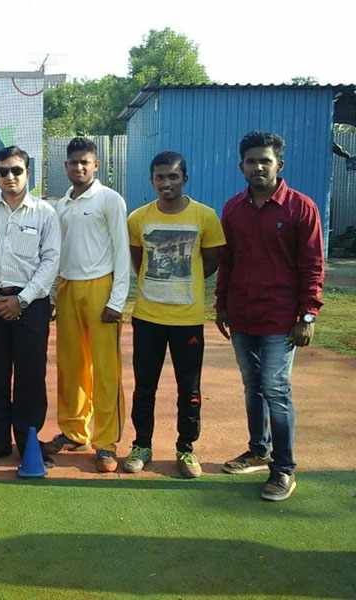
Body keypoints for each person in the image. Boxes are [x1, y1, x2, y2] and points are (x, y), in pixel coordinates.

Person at [216, 131, 324, 501]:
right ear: (241, 166)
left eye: (265, 160)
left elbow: (313, 266)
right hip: (243, 315)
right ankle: (258, 451)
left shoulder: (300, 208)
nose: (258, 166)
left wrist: (307, 315)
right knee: (252, 387)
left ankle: (284, 469)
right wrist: (221, 305)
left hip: (282, 318)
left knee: (276, 390)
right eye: (251, 161)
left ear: (280, 164)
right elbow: (227, 262)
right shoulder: (233, 209)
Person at [125, 151, 225, 478]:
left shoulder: (205, 216)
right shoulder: (138, 218)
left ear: (185, 179)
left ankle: (186, 449)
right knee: (144, 387)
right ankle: (141, 445)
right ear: (152, 180)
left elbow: (210, 263)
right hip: (148, 318)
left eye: (173, 177)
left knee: (190, 390)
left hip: (188, 320)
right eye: (160, 177)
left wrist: (184, 285)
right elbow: (138, 262)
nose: (166, 183)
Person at [0, 146, 60, 464]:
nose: (10, 177)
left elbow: (51, 260)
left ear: (27, 173)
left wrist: (21, 299)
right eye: (3, 171)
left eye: (16, 170)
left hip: (30, 304)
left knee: (30, 376)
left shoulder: (45, 213)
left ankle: (29, 444)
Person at [47, 137, 129, 472]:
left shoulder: (109, 199)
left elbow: (122, 249)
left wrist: (117, 299)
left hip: (101, 288)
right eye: (73, 162)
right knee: (70, 365)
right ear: (65, 166)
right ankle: (73, 430)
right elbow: (57, 253)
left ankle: (106, 443)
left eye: (85, 162)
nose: (78, 167)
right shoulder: (61, 204)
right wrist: (53, 294)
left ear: (96, 165)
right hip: (68, 287)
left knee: (105, 369)